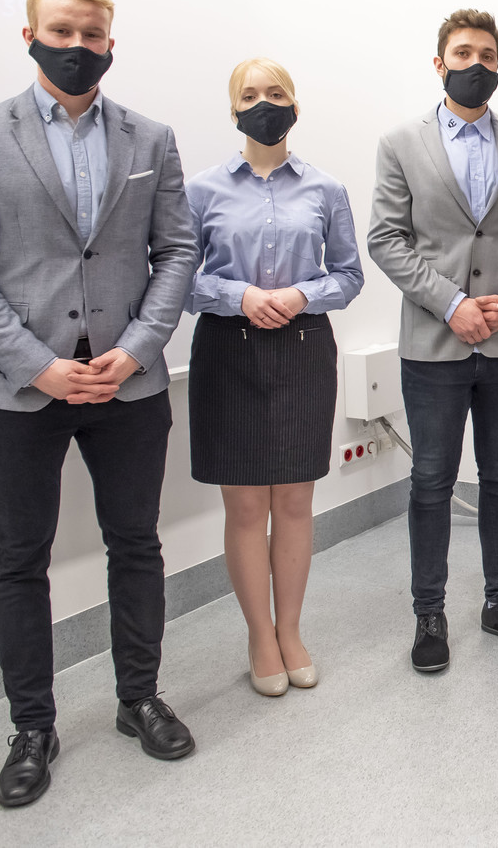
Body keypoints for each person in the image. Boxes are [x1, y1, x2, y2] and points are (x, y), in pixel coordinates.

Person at [0, 0, 198, 808]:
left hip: (129, 388)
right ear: (30, 36)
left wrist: (138, 348)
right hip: (19, 392)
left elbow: (177, 252)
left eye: (91, 35)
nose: (77, 47)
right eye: (61, 32)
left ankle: (138, 698)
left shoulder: (151, 139)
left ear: (111, 43)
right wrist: (36, 364)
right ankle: (32, 728)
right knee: (18, 560)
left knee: (137, 544)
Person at [368, 9, 498, 671]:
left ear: (497, 63)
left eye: (486, 54)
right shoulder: (401, 143)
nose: (475, 64)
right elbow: (385, 239)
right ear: (439, 63)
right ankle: (430, 614)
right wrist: (450, 303)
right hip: (434, 343)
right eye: (462, 53)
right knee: (431, 480)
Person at [185, 58, 363, 697]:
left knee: (293, 499)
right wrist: (238, 296)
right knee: (244, 505)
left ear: (295, 105)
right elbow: (178, 279)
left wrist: (299, 295)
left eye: (276, 93)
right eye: (250, 95)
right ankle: (259, 635)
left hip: (302, 346)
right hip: (227, 352)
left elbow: (349, 275)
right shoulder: (202, 190)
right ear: (234, 109)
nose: (264, 104)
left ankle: (291, 630)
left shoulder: (326, 189)